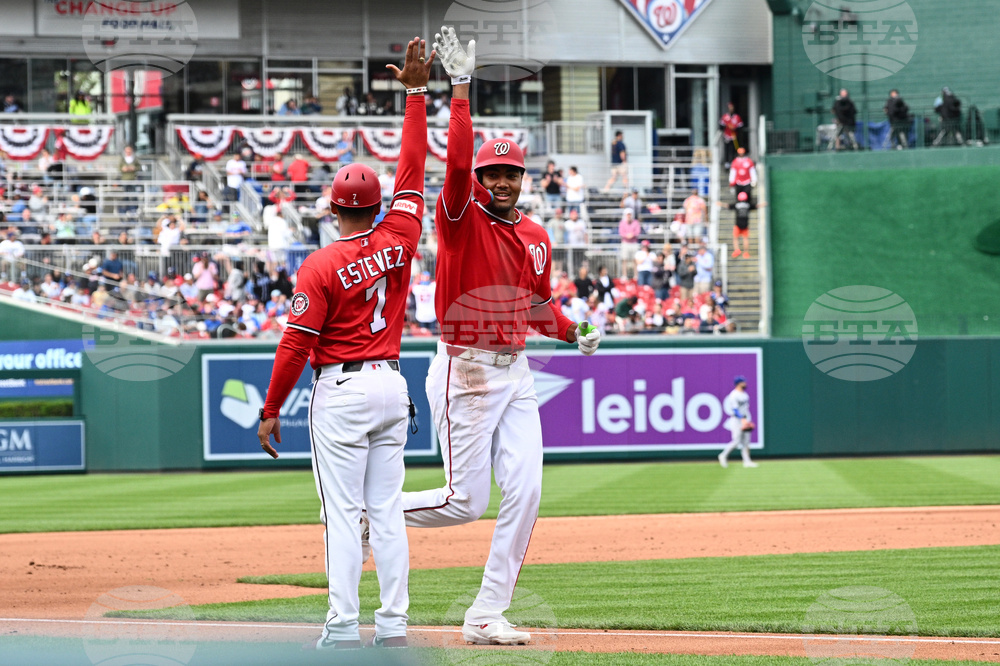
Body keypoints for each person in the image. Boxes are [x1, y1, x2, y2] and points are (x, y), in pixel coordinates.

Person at [400, 26, 601, 647]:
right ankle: (366, 512)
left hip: (515, 371)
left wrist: (572, 332)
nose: (502, 181)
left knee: (530, 489)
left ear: (522, 177)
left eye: (510, 172)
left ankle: (486, 613)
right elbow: (455, 162)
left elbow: (537, 306)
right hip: (466, 368)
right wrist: (459, 89)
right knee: (465, 502)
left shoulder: (537, 235)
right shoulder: (459, 218)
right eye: (493, 173)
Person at [257, 38, 433, 650]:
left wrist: (271, 407)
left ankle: (340, 628)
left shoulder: (320, 265)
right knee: (385, 513)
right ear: (377, 205)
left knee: (341, 515)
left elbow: (293, 348)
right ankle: (393, 626)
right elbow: (413, 168)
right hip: (392, 383)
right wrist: (415, 95)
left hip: (344, 388)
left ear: (334, 208)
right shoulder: (402, 233)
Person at [718, 375, 758, 468]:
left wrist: (748, 420)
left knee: (746, 442)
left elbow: (745, 409)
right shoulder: (734, 395)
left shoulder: (745, 394)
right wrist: (742, 419)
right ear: (738, 383)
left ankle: (747, 461)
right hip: (736, 420)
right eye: (743, 382)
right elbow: (735, 410)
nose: (745, 383)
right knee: (736, 441)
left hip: (745, 418)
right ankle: (723, 455)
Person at [716, 191, 766, 258]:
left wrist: (720, 204)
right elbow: (756, 206)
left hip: (737, 225)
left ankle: (737, 250)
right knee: (745, 239)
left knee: (735, 238)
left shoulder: (737, 204)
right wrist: (763, 204)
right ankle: (746, 253)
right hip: (745, 225)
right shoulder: (748, 205)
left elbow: (728, 205)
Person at [618, 208, 641, 279]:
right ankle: (624, 275)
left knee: (635, 260)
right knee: (624, 259)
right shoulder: (622, 222)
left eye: (630, 214)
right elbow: (621, 232)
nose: (629, 216)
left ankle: (636, 275)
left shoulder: (636, 222)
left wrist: (632, 234)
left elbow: (638, 231)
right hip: (625, 243)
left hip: (634, 243)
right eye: (627, 214)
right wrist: (627, 235)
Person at [719, 102, 743, 167]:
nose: (731, 109)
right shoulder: (725, 117)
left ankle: (734, 162)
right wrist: (727, 126)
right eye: (730, 108)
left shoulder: (737, 117)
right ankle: (727, 163)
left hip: (734, 136)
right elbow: (721, 126)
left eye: (732, 108)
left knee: (735, 149)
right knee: (727, 149)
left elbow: (740, 127)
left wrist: (734, 128)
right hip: (727, 136)